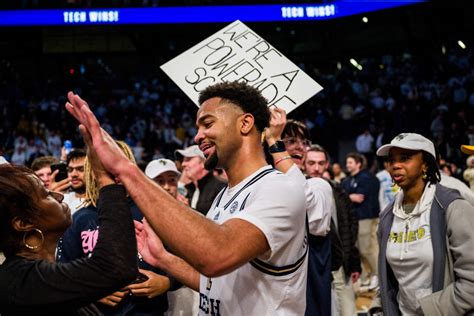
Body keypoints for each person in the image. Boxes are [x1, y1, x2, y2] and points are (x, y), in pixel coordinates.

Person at [65, 82, 308, 315]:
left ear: (245, 123)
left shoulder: (280, 188)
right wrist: (164, 258)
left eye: (207, 124)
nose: (197, 136)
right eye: (198, 127)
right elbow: (215, 284)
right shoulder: (224, 197)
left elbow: (216, 256)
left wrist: (125, 169)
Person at [0, 131, 138, 315]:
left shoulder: (39, 278)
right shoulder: (19, 280)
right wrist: (105, 179)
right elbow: (116, 267)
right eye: (46, 194)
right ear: (24, 223)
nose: (58, 195)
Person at [58, 141, 175, 315]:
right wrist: (90, 292)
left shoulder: (154, 212)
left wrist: (168, 282)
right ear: (93, 170)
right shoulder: (79, 219)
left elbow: (189, 261)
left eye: (118, 163)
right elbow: (63, 275)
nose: (113, 172)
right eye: (105, 166)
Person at [374, 133, 474, 315]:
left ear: (425, 163)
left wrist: (432, 309)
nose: (395, 165)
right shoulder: (388, 216)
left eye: (405, 158)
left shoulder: (452, 207)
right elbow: (385, 275)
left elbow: (471, 280)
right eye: (391, 160)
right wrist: (380, 307)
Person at [264, 113, 333, 316]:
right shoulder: (263, 185)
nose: (300, 147)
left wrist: (275, 144)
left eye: (304, 142)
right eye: (291, 140)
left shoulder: (318, 185)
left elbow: (313, 215)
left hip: (305, 296)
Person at [305, 145, 362, 316]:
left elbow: (350, 226)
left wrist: (354, 261)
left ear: (327, 164)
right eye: (311, 163)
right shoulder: (300, 191)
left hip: (340, 264)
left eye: (321, 163)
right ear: (304, 163)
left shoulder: (338, 190)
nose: (316, 167)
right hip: (316, 267)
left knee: (348, 310)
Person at [145, 158, 198, 316]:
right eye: (160, 181)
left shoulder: (196, 218)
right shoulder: (137, 219)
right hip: (151, 305)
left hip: (187, 302)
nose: (167, 187)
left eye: (172, 180)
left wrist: (169, 282)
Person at [342, 152, 380, 289]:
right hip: (357, 218)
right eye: (347, 162)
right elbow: (347, 195)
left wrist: (347, 196)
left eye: (350, 162)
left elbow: (359, 197)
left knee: (366, 249)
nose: (347, 165)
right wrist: (349, 196)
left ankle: (378, 275)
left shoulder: (366, 178)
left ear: (358, 164)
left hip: (366, 217)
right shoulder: (349, 179)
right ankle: (368, 276)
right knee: (361, 249)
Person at [175, 145, 226, 215]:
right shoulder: (189, 190)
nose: (183, 164)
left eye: (188, 159)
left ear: (203, 163)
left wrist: (188, 210)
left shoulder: (221, 188)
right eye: (183, 160)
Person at [63, 149, 87, 214]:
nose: (73, 174)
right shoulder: (63, 200)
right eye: (70, 170)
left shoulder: (101, 202)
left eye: (81, 169)